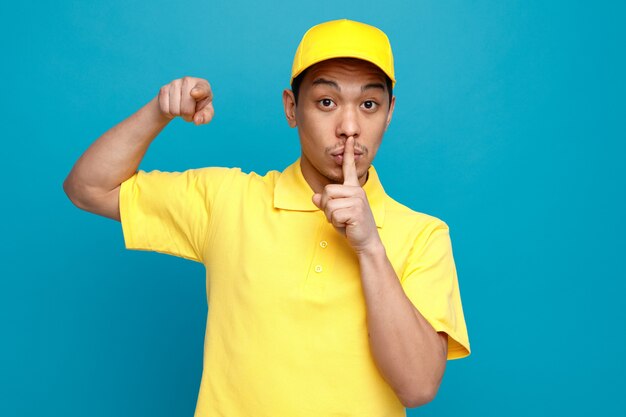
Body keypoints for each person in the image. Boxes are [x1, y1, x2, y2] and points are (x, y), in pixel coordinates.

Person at [64, 19, 470, 417]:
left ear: (390, 112)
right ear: (292, 108)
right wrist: (158, 112)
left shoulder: (424, 235)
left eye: (369, 104)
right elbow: (88, 188)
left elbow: (418, 387)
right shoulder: (227, 200)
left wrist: (370, 248)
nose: (349, 128)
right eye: (326, 102)